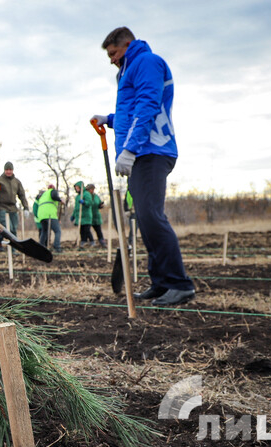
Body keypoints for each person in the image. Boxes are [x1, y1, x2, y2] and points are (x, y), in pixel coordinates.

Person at [92, 26, 195, 305]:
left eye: (113, 53)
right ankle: (161, 284)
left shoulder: (146, 62)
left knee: (151, 216)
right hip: (141, 151)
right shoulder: (127, 70)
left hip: (151, 150)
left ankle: (179, 283)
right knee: (146, 220)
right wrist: (110, 119)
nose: (111, 59)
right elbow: (131, 112)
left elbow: (148, 106)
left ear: (126, 44)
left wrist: (129, 150)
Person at [0, 162, 30, 252]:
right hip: (1, 206)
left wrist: (26, 208)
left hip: (13, 208)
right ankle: (13, 250)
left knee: (13, 228)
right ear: (4, 170)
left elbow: (22, 195)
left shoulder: (16, 182)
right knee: (7, 227)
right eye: (7, 170)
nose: (8, 172)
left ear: (13, 170)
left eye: (10, 170)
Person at [36, 184, 63, 253]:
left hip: (41, 215)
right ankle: (57, 247)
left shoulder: (43, 195)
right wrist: (60, 200)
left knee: (44, 231)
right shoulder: (53, 191)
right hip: (50, 215)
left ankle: (40, 247)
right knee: (57, 231)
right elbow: (54, 196)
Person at [71, 181, 94, 248]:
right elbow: (76, 208)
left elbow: (90, 203)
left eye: (77, 187)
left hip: (86, 216)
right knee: (81, 230)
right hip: (79, 217)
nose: (76, 189)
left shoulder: (86, 194)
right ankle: (83, 242)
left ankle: (92, 241)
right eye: (76, 188)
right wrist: (73, 215)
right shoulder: (77, 197)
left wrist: (84, 202)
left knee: (87, 230)